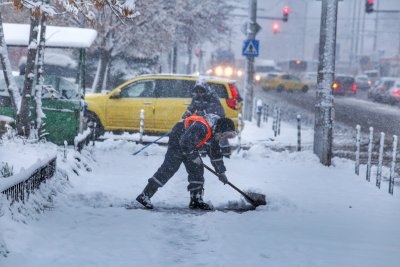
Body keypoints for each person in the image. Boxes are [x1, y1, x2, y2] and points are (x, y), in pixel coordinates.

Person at [136, 114, 236, 210]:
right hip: (177, 142)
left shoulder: (214, 132)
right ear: (220, 130)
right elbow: (185, 142)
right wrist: (193, 156)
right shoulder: (201, 127)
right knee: (169, 169)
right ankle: (145, 195)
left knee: (197, 170)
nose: (223, 139)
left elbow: (215, 154)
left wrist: (221, 172)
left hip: (189, 146)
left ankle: (196, 200)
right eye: (224, 136)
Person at [182, 79, 231, 158]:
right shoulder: (196, 97)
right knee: (199, 131)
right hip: (204, 119)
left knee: (219, 134)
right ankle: (203, 151)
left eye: (201, 91)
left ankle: (226, 152)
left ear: (205, 90)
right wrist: (187, 114)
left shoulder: (212, 97)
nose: (199, 93)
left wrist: (202, 113)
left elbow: (214, 110)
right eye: (197, 91)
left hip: (217, 117)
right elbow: (192, 107)